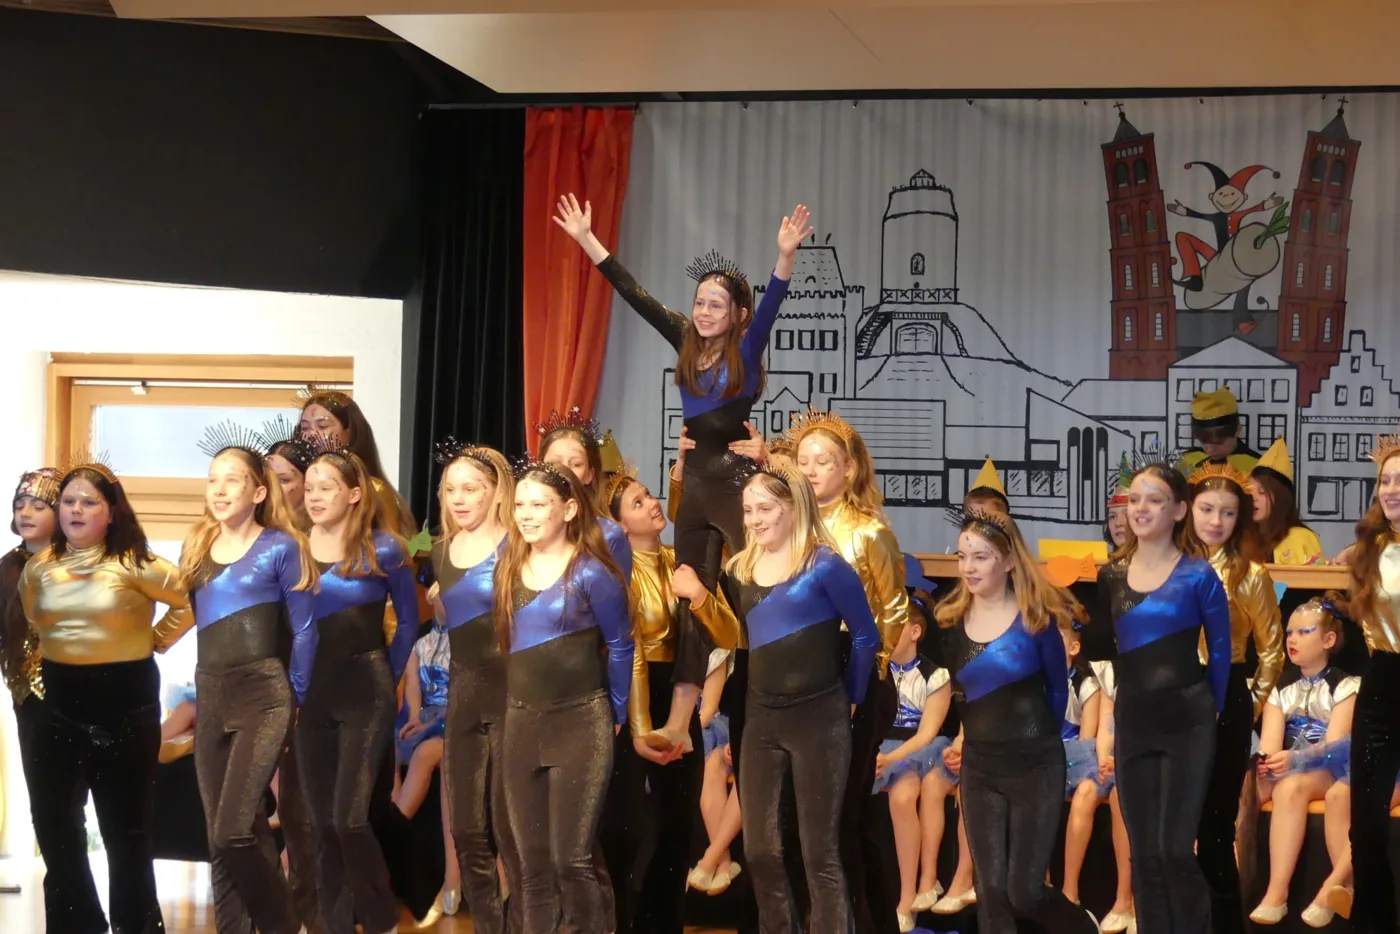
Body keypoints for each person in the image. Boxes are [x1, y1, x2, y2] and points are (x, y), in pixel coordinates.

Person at [552, 193, 810, 706]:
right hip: (695, 489)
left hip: (737, 485)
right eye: (700, 302)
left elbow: (773, 303)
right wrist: (587, 239)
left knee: (756, 587)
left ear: (737, 315)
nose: (705, 311)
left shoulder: (746, 350)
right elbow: (635, 294)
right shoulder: (685, 340)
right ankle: (681, 717)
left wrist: (785, 256)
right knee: (690, 592)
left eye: (717, 305)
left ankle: (770, 693)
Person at [19, 455, 195, 934]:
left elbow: (188, 600)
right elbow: (34, 619)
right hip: (59, 703)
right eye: (69, 501)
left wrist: (155, 640)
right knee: (54, 825)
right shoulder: (38, 568)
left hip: (125, 703)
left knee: (126, 830)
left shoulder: (137, 562)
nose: (76, 510)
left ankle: (136, 927)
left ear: (112, 511)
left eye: (89, 502)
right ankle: (79, 925)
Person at [718, 461, 880, 934]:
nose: (754, 520)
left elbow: (866, 636)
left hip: (819, 718)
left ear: (793, 508)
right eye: (748, 510)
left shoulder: (824, 566)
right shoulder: (740, 570)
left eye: (764, 509)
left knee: (819, 852)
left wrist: (852, 696)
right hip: (762, 718)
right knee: (759, 850)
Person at [175, 425, 320, 934]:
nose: (219, 490)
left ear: (258, 492)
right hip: (212, 690)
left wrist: (295, 695)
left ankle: (286, 926)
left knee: (234, 829)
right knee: (221, 838)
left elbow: (304, 630)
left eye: (232, 480)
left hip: (264, 695)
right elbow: (191, 616)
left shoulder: (282, 547)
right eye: (212, 479)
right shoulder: (196, 545)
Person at [934, 508, 1098, 934]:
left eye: (981, 557)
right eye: (963, 557)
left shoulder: (1036, 622)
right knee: (990, 893)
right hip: (980, 768)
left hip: (1035, 765)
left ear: (1008, 561)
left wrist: (1038, 747)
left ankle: (1084, 928)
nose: (969, 567)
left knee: (1024, 891)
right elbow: (964, 697)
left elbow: (1057, 693)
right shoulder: (952, 624)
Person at [782, 409, 908, 933]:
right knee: (798, 819)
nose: (811, 470)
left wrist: (863, 675)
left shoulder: (868, 531)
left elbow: (894, 612)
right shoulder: (787, 528)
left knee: (842, 818)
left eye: (824, 461)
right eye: (803, 461)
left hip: (855, 680)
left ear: (850, 468)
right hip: (797, 681)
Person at [495, 460, 633, 934]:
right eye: (520, 505)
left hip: (580, 722)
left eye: (539, 505)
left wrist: (616, 712)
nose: (526, 514)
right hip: (521, 722)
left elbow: (620, 644)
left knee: (571, 859)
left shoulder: (591, 573)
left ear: (570, 509)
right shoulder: (509, 566)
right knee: (531, 863)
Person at [603, 463, 740, 931]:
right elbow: (632, 654)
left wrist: (699, 595)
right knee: (629, 828)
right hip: (633, 698)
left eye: (650, 494)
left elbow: (728, 634)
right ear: (620, 524)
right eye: (638, 503)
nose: (652, 504)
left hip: (682, 697)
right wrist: (642, 730)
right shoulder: (618, 572)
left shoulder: (681, 561)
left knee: (677, 827)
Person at [1097, 461, 1232, 934]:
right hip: (1135, 718)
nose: (1141, 509)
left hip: (1187, 720)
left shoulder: (1198, 576)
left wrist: (1212, 710)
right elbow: (1105, 648)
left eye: (1154, 500)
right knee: (1145, 853)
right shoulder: (1111, 575)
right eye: (1134, 500)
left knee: (1175, 850)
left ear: (1178, 511)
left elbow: (1221, 651)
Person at [296, 447, 421, 934]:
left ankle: (381, 918)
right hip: (312, 696)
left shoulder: (385, 548)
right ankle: (333, 924)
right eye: (309, 488)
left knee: (350, 819)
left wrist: (389, 677)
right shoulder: (291, 548)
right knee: (322, 825)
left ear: (353, 494)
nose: (314, 496)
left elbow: (408, 623)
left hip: (365, 692)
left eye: (326, 487)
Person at [1185, 463, 1284, 934]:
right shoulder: (1171, 567)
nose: (1216, 521)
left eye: (1227, 512)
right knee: (1171, 827)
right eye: (1207, 509)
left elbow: (1272, 651)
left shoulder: (1251, 575)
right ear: (1187, 510)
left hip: (1226, 695)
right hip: (1175, 697)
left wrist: (1248, 705)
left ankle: (1225, 924)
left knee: (1215, 828)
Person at [430, 441, 517, 932]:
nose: (459, 499)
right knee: (466, 830)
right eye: (450, 490)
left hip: (512, 693)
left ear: (495, 491)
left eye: (471, 489)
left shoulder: (517, 545)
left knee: (511, 829)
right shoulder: (441, 550)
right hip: (463, 695)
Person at [1249, 598, 1358, 927]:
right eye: (1289, 633)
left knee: (1291, 788)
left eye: (1303, 632)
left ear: (1328, 640)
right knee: (1246, 787)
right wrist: (1266, 763)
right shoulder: (1281, 688)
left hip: (1331, 766)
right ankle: (1227, 869)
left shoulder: (1346, 686)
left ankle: (1277, 892)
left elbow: (1335, 748)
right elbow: (1270, 743)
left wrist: (1294, 759)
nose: (1292, 639)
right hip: (1292, 764)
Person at [1337, 432, 1400, 933]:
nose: (1392, 490)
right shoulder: (1368, 549)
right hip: (1382, 681)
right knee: (1366, 823)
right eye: (1386, 480)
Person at [870, 608, 952, 932]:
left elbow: (926, 734)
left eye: (895, 625)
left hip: (917, 750)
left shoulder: (936, 675)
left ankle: (907, 897)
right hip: (880, 746)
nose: (886, 632)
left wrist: (890, 759)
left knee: (903, 798)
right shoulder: (875, 670)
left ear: (915, 632)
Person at [297, 387, 415, 536]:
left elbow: (391, 546)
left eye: (322, 426)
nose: (311, 435)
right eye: (305, 428)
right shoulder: (295, 484)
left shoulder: (374, 490)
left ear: (350, 431)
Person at [1059, 623, 1106, 910]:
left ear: (1073, 648)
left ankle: (1070, 889)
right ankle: (1038, 879)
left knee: (1084, 791)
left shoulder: (1086, 684)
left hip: (1077, 759)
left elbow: (1086, 741)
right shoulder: (1038, 683)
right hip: (1047, 758)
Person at [1249, 438, 1323, 565]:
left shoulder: (1300, 537)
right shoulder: (1243, 540)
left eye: (1262, 492)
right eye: (1249, 491)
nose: (1253, 498)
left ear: (1281, 498)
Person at [1178, 389, 1260, 476]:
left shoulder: (1256, 467)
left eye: (1218, 442)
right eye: (1204, 441)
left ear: (1237, 430)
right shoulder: (1187, 462)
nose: (1210, 449)